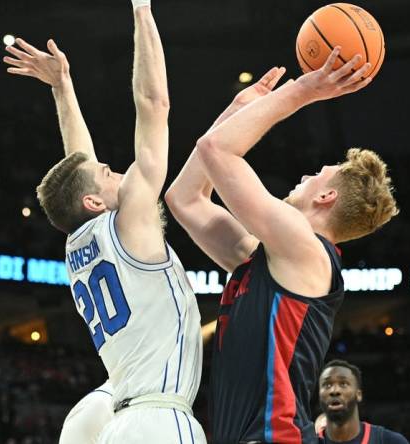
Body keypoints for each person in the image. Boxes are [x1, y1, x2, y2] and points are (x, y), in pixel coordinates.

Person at [165, 47, 398, 444]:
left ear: (327, 198)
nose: (306, 176)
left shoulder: (307, 249)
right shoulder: (267, 258)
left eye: (316, 175)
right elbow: (184, 199)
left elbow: (216, 150)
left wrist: (304, 91)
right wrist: (236, 110)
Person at [3, 0, 206, 442]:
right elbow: (155, 103)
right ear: (94, 201)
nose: (117, 170)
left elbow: (79, 164)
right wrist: (142, 10)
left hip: (111, 417)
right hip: (157, 419)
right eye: (109, 174)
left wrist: (63, 86)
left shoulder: (80, 241)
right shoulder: (130, 216)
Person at [318, 360, 409, 444]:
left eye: (343, 384)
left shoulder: (391, 441)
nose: (334, 390)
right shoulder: (309, 441)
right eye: (327, 385)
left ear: (358, 394)